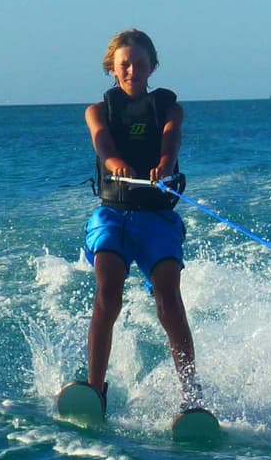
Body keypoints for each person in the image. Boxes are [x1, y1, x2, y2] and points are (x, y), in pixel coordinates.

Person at [81, 29, 205, 413]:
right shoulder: (97, 110)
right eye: (124, 64)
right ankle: (94, 389)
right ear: (112, 68)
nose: (132, 70)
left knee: (169, 301)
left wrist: (165, 164)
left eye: (139, 63)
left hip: (157, 217)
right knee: (107, 297)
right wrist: (114, 163)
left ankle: (190, 397)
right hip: (113, 216)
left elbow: (172, 139)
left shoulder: (170, 108)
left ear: (152, 65)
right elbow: (101, 140)